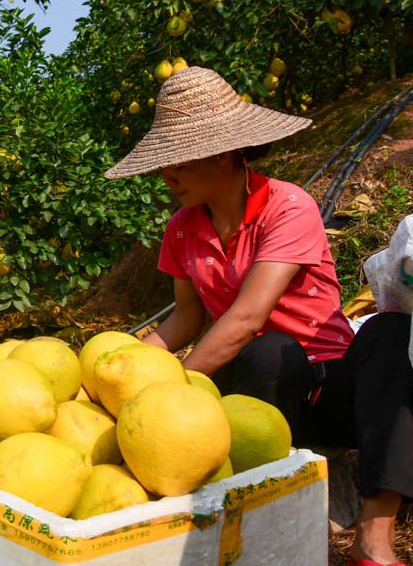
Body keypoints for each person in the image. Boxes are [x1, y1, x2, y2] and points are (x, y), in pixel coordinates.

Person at [104, 66, 412, 566]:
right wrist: (121, 371)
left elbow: (248, 316)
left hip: (330, 385)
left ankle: (374, 537)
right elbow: (183, 321)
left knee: (390, 331)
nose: (167, 175)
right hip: (258, 392)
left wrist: (170, 390)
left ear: (223, 153)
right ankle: (279, 491)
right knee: (268, 354)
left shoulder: (288, 206)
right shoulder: (182, 229)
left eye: (178, 160)